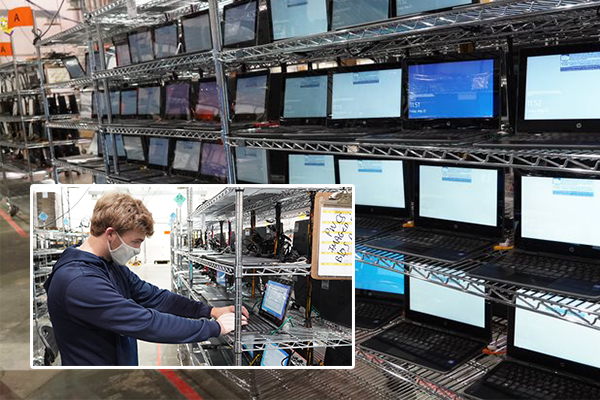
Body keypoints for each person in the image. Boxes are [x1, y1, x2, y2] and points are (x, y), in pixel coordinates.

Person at [44, 191, 248, 366]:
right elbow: (148, 323)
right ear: (111, 234)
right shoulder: (80, 281)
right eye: (135, 241)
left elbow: (157, 297)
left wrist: (210, 310)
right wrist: (215, 327)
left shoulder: (108, 265)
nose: (137, 250)